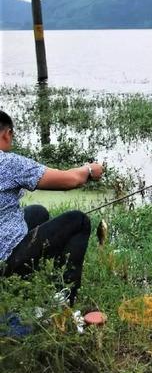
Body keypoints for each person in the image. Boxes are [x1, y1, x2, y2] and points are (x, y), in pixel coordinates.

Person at [0, 110, 104, 305]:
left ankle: (27, 277)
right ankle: (64, 295)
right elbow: (70, 180)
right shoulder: (7, 162)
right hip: (5, 260)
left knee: (37, 212)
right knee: (78, 221)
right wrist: (90, 170)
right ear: (7, 133)